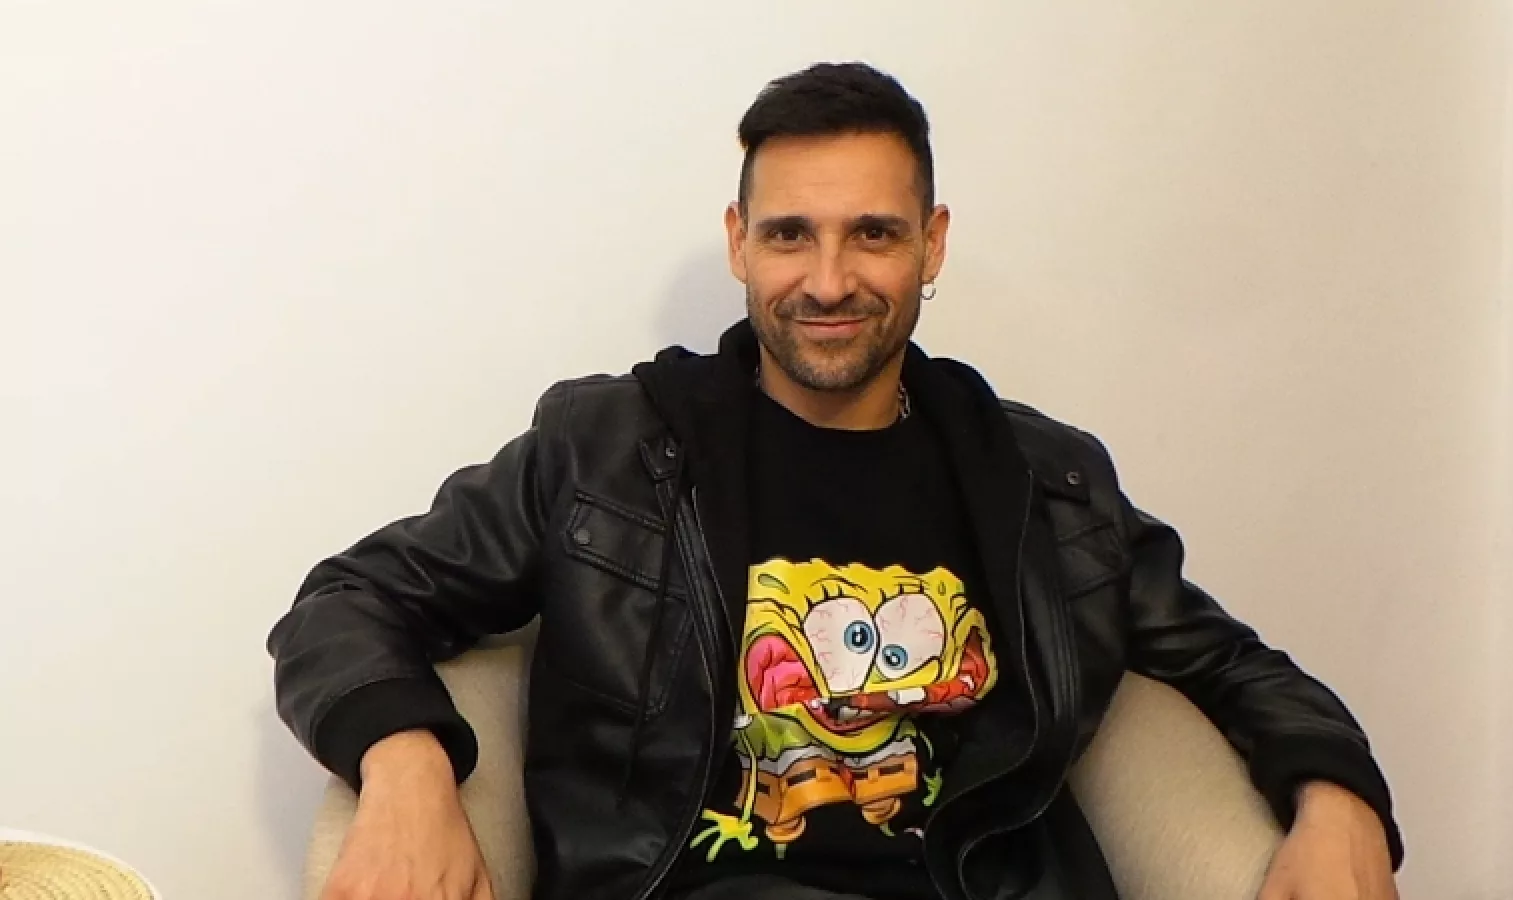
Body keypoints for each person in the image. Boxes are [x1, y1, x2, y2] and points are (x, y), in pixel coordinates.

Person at [268, 62, 1403, 900]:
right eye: (788, 236)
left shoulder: (1044, 482)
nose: (826, 281)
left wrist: (1337, 796)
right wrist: (408, 766)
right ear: (738, 242)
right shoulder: (607, 449)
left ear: (932, 245)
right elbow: (348, 602)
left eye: (872, 234)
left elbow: (1232, 664)